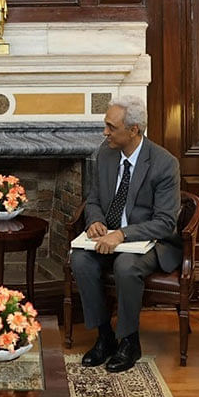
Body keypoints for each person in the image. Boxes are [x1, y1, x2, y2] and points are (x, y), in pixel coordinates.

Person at [70, 95, 181, 373]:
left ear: (134, 130)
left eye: (111, 126)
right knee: (80, 260)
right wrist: (94, 221)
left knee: (126, 265)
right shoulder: (105, 154)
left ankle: (129, 341)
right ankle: (105, 336)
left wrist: (121, 234)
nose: (105, 132)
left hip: (148, 243)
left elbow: (166, 222)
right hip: (107, 236)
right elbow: (93, 199)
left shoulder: (164, 163)